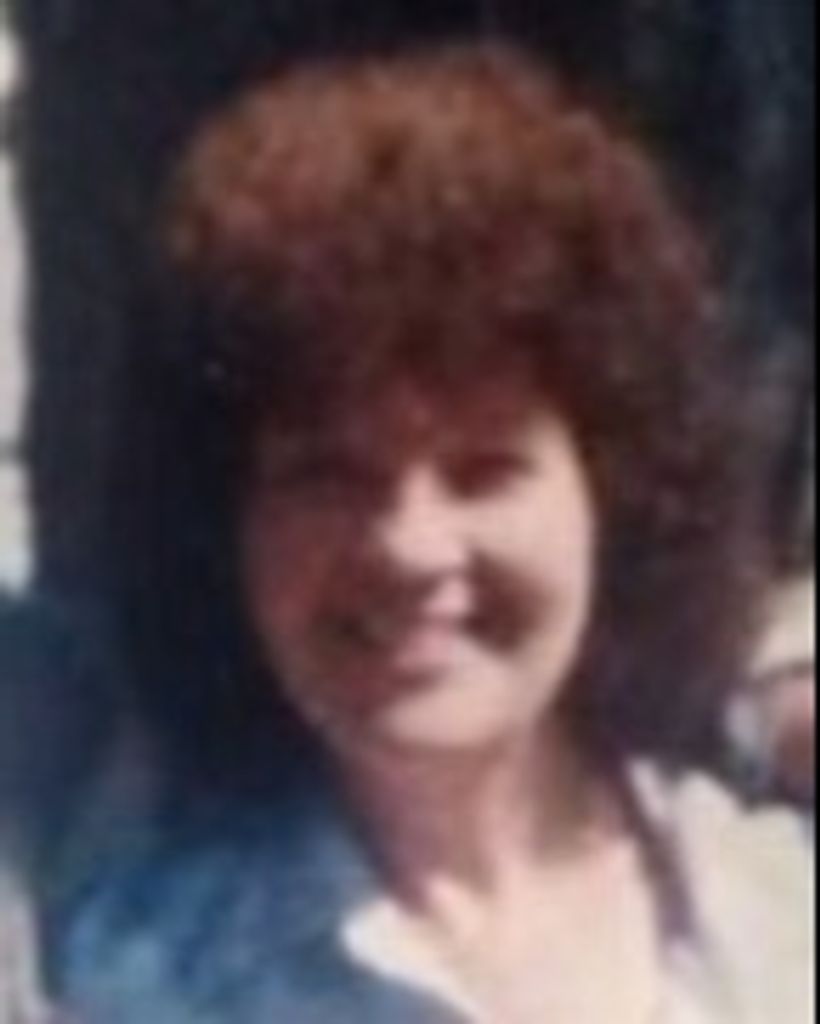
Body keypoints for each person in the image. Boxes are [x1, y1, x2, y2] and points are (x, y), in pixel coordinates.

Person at [26, 44, 811, 1023]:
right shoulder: (129, 976)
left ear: (614, 494)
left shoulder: (777, 913)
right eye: (327, 475)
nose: (408, 545)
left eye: (484, 472)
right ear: (226, 527)